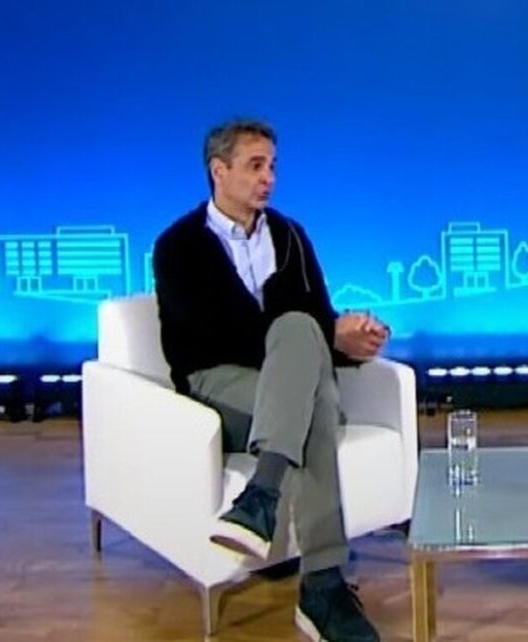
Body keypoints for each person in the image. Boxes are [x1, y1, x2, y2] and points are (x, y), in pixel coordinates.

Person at [153, 118, 390, 642]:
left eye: (273, 167)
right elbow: (208, 339)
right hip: (216, 383)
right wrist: (321, 333)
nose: (269, 179)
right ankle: (322, 586)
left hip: (290, 383)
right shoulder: (177, 246)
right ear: (219, 171)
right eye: (255, 166)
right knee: (311, 395)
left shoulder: (290, 235)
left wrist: (346, 340)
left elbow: (315, 320)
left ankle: (261, 495)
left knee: (302, 340)